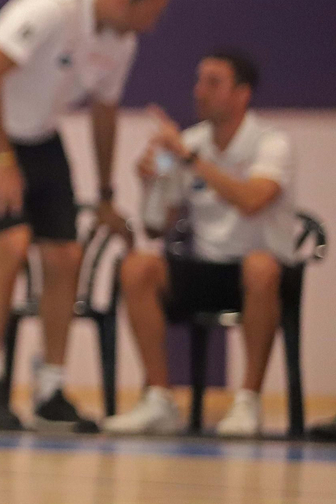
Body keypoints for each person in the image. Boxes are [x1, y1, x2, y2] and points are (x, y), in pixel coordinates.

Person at [0, 0, 172, 432]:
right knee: (11, 242)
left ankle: (51, 390)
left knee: (66, 255)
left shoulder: (121, 41)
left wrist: (107, 193)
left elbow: (104, 113)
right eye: (153, 11)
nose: (155, 25)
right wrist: (2, 158)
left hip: (40, 135)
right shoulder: (51, 8)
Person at [104, 50, 299, 437]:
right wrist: (150, 182)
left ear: (243, 93)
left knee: (260, 267)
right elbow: (157, 226)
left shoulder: (271, 144)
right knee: (137, 266)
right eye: (198, 81)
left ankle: (248, 401)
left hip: (261, 273)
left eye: (214, 82)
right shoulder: (187, 144)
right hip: (203, 268)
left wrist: (191, 160)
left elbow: (251, 201)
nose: (200, 91)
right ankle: (158, 397)